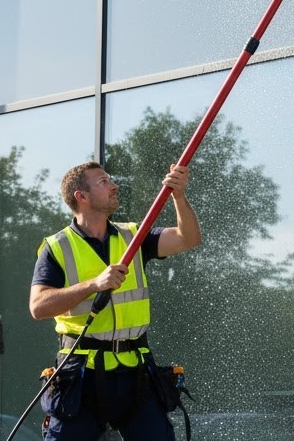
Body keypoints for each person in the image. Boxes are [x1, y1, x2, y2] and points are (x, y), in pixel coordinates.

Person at [30, 160, 202, 440]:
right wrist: (93, 284)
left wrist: (179, 196)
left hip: (135, 372)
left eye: (110, 180)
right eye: (103, 182)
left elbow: (188, 238)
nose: (114, 185)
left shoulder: (133, 236)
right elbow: (38, 307)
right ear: (81, 197)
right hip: (80, 376)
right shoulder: (56, 247)